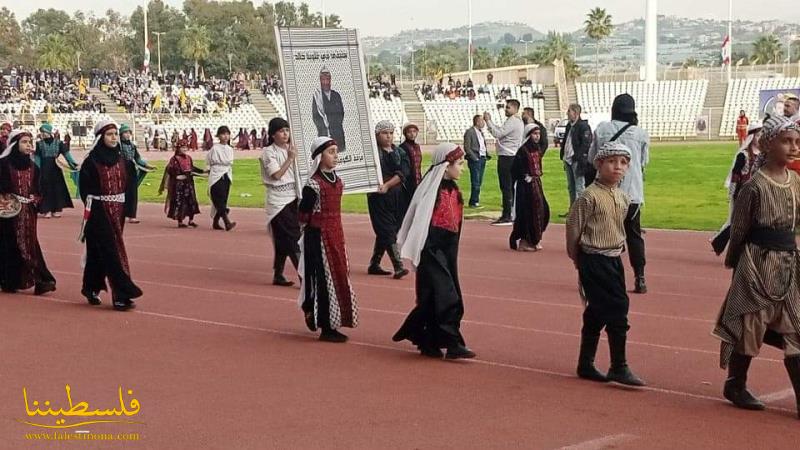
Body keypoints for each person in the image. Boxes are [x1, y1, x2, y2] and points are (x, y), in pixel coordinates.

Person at [712, 115, 800, 417]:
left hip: (788, 264)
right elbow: (738, 230)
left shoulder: (796, 182)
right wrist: (735, 262)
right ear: (767, 143)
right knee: (752, 324)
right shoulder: (754, 186)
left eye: (796, 142)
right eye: (786, 141)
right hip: (757, 265)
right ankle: (735, 383)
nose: (793, 147)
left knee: (795, 330)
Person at [566, 141, 645, 387]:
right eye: (611, 161)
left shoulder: (623, 197)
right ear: (599, 164)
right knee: (618, 308)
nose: (617, 167)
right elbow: (573, 230)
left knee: (597, 311)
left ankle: (585, 363)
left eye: (623, 163)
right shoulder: (589, 197)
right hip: (594, 258)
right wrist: (579, 260)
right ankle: (618, 365)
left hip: (613, 259)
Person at [392, 142, 475, 360]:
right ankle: (453, 344)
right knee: (448, 296)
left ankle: (427, 339)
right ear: (446, 166)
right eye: (459, 164)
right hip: (431, 249)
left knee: (431, 298)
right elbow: (420, 222)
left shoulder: (454, 191)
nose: (462, 168)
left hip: (448, 250)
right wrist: (425, 249)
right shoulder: (431, 192)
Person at [78, 120, 143, 311]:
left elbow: (131, 188)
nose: (114, 137)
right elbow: (85, 190)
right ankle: (122, 294)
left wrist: (129, 211)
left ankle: (90, 287)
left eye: (115, 134)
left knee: (99, 253)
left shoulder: (125, 162)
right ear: (101, 137)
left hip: (118, 212)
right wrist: (97, 208)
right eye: (109, 134)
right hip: (98, 212)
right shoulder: (91, 162)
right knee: (112, 252)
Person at [298, 137, 358, 343]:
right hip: (318, 237)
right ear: (319, 157)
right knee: (323, 279)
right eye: (331, 152)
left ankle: (336, 320)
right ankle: (324, 323)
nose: (335, 156)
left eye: (335, 151)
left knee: (340, 275)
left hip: (336, 234)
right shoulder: (313, 185)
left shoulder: (338, 181)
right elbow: (303, 214)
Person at [589, 94, 650, 294]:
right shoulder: (640, 133)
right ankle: (640, 277)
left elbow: (592, 158)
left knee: (605, 236)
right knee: (634, 235)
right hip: (632, 193)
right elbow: (642, 163)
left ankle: (608, 277)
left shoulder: (602, 129)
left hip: (607, 191)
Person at [0, 129, 57, 295]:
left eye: (29, 142)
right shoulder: (4, 165)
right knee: (10, 244)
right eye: (24, 142)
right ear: (15, 144)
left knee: (30, 245)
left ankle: (42, 280)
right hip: (8, 213)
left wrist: (35, 200)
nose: (28, 145)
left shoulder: (34, 167)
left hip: (28, 213)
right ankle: (10, 280)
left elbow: (39, 190)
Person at [260, 118, 301, 287]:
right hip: (278, 200)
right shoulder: (269, 152)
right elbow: (276, 175)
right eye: (281, 131)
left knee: (283, 239)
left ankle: (278, 273)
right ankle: (303, 277)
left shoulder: (292, 150)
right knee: (293, 238)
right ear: (273, 134)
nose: (285, 134)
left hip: (293, 197)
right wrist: (290, 159)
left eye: (287, 130)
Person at [711, 121, 762, 256]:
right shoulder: (743, 155)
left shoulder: (764, 155)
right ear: (752, 137)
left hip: (758, 193)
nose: (760, 138)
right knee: (736, 222)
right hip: (742, 193)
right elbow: (735, 176)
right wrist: (732, 195)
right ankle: (722, 244)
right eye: (758, 135)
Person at [367, 121, 410, 279]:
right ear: (377, 135)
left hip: (397, 195)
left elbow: (403, 172)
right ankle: (398, 266)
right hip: (378, 197)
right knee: (386, 229)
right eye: (385, 133)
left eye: (391, 133)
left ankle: (374, 263)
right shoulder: (372, 153)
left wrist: (388, 185)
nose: (388, 136)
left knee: (391, 229)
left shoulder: (400, 152)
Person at [509, 123, 549, 252]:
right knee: (527, 213)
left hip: (536, 185)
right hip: (525, 188)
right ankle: (524, 241)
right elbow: (515, 169)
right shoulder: (523, 150)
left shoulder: (537, 149)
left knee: (542, 210)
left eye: (538, 134)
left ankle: (535, 239)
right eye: (534, 134)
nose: (537, 137)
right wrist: (524, 176)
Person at [484, 99, 524, 225]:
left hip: (507, 157)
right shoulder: (514, 121)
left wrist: (488, 121)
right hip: (509, 155)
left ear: (515, 109)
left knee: (506, 186)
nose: (505, 110)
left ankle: (507, 214)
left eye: (508, 107)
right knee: (509, 186)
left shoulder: (513, 121)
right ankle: (510, 212)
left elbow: (498, 133)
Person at [35, 123, 78, 218]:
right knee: (45, 189)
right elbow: (37, 158)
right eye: (41, 132)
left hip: (56, 169)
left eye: (44, 131)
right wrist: (36, 170)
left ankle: (57, 209)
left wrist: (73, 164)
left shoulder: (59, 143)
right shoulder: (39, 144)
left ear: (49, 132)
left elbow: (67, 155)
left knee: (57, 188)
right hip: (44, 169)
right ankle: (47, 210)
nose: (42, 133)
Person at [159, 138, 203, 228]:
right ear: (178, 148)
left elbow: (192, 167)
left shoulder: (189, 158)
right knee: (180, 202)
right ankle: (180, 221)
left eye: (185, 147)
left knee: (191, 201)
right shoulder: (174, 159)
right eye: (182, 148)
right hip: (179, 185)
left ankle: (191, 220)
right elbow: (170, 170)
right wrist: (177, 175)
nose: (184, 149)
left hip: (189, 183)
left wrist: (202, 171)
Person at [119, 124, 154, 224]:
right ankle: (119, 213)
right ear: (121, 134)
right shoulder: (118, 146)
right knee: (120, 193)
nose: (127, 135)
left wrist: (147, 165)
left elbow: (137, 158)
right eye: (125, 133)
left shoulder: (132, 145)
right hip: (121, 170)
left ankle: (132, 216)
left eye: (129, 132)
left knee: (133, 193)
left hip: (131, 170)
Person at [560, 104, 592, 211]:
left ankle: (581, 210)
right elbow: (566, 141)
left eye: (569, 111)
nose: (567, 113)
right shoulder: (569, 125)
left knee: (579, 186)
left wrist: (577, 157)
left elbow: (586, 144)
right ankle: (573, 209)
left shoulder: (583, 126)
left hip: (577, 160)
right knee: (571, 187)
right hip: (568, 159)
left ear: (576, 113)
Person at [207, 126, 236, 231]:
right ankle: (227, 222)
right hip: (216, 175)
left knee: (223, 199)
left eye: (227, 134)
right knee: (218, 199)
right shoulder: (215, 148)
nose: (225, 136)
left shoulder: (230, 149)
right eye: (223, 134)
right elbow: (209, 161)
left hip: (226, 175)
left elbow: (229, 161)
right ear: (219, 136)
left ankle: (215, 222)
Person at [311, 66, 346, 151]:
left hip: (338, 133)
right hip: (324, 134)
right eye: (323, 80)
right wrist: (325, 127)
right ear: (320, 81)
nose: (326, 82)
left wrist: (334, 125)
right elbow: (316, 116)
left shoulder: (336, 95)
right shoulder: (317, 97)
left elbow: (341, 113)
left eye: (328, 79)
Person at [463, 115, 489, 208]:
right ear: (477, 122)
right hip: (475, 159)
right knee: (475, 181)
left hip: (482, 158)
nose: (483, 123)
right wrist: (474, 158)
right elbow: (467, 147)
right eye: (482, 121)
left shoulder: (480, 132)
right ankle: (473, 201)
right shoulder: (469, 132)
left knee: (479, 181)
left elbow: (482, 145)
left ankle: (475, 200)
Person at [398, 123, 423, 198]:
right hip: (408, 182)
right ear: (405, 134)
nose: (412, 134)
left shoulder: (417, 146)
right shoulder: (402, 147)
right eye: (409, 132)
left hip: (418, 180)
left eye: (414, 131)